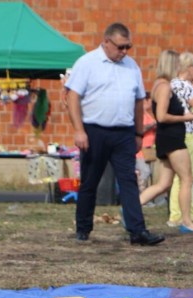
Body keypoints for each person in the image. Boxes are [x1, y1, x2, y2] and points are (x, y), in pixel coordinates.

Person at [66, 22, 165, 245]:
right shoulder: (87, 63)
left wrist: (139, 133)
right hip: (94, 131)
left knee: (129, 181)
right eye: (120, 47)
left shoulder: (132, 66)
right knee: (90, 182)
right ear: (107, 42)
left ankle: (137, 231)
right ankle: (83, 228)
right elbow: (72, 96)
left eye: (127, 47)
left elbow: (139, 101)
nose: (124, 52)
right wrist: (79, 130)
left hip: (123, 133)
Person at [145, 50, 193, 234]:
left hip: (168, 137)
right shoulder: (164, 86)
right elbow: (162, 116)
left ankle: (131, 207)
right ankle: (187, 221)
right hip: (172, 139)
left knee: (163, 184)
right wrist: (185, 118)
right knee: (187, 178)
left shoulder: (159, 85)